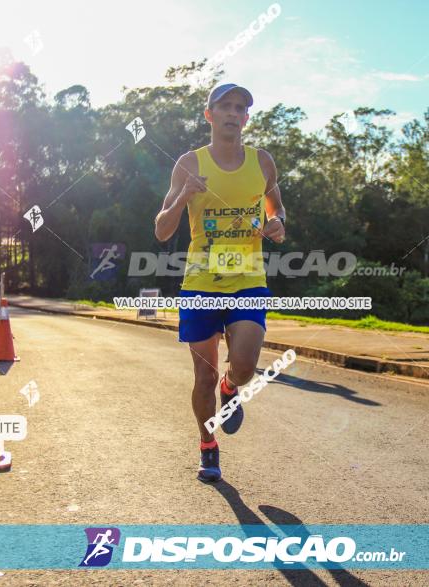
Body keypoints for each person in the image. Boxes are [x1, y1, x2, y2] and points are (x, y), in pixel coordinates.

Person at [154, 83, 286, 482]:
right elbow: (162, 230)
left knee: (244, 366)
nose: (233, 113)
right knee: (203, 377)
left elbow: (275, 203)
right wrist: (182, 199)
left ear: (246, 118)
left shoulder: (262, 162)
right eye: (225, 106)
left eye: (240, 108)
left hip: (248, 279)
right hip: (200, 284)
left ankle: (232, 389)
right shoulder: (189, 164)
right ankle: (207, 446)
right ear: (209, 115)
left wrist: (278, 221)